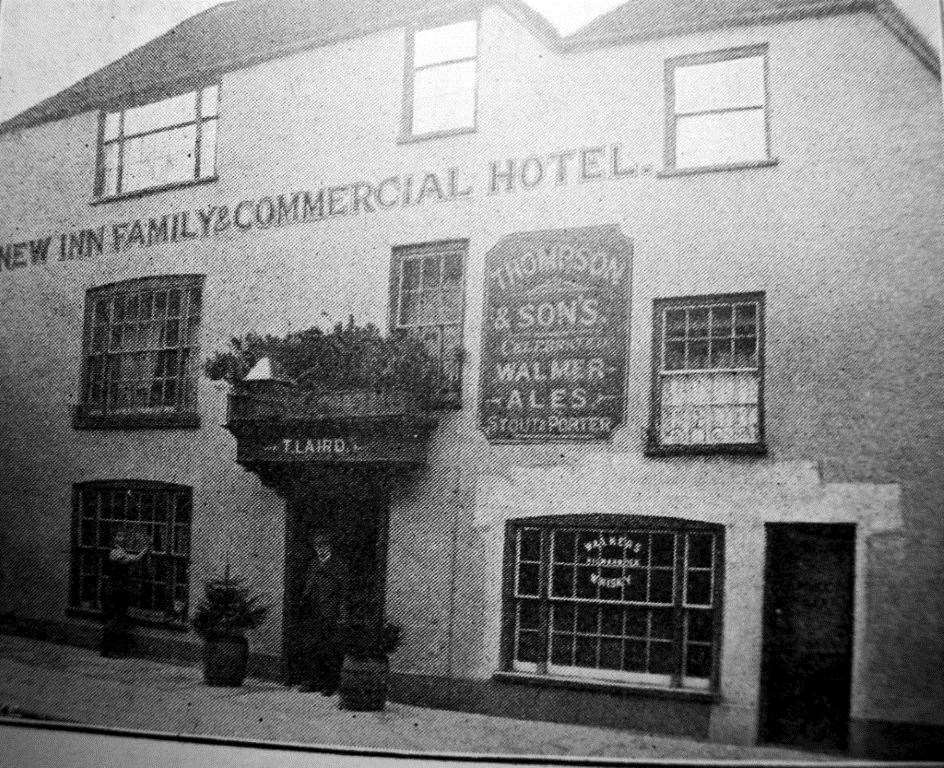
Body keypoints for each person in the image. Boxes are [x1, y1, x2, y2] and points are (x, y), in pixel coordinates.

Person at [298, 531, 347, 694]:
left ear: (330, 546)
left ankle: (329, 685)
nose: (320, 549)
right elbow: (308, 586)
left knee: (329, 649)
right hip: (314, 612)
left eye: (324, 545)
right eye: (317, 546)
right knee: (312, 647)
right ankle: (312, 681)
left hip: (330, 613)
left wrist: (342, 613)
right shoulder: (313, 564)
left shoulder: (339, 565)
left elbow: (344, 592)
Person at [100, 529, 149, 658]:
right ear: (114, 538)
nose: (122, 538)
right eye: (119, 535)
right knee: (116, 618)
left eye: (123, 536)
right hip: (116, 588)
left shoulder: (120, 551)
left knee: (118, 617)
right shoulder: (115, 552)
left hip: (119, 587)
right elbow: (134, 559)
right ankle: (109, 649)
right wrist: (146, 549)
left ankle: (111, 649)